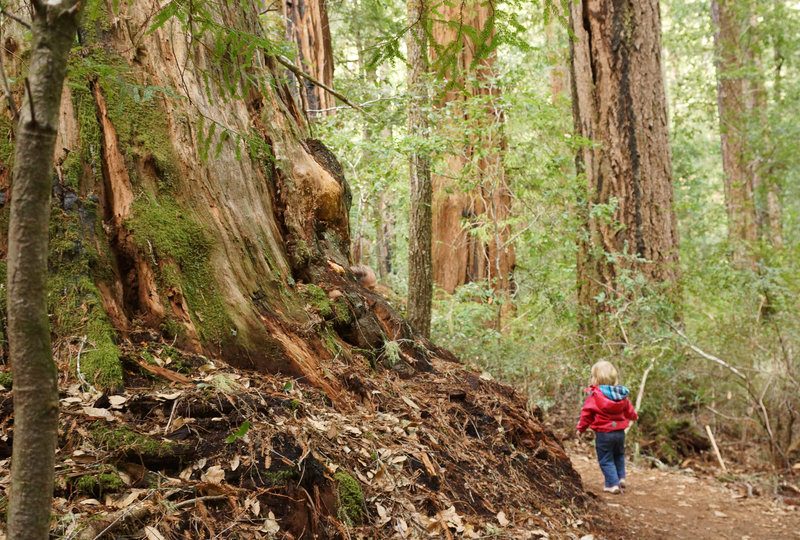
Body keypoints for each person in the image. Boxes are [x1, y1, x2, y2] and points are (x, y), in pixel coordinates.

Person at [576, 360, 638, 494]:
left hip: (604, 433)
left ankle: (612, 484)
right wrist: (634, 416)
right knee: (619, 454)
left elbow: (587, 413)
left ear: (595, 378)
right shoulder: (621, 394)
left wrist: (581, 428)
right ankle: (621, 477)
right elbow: (629, 410)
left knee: (605, 458)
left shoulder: (595, 395)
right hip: (620, 432)